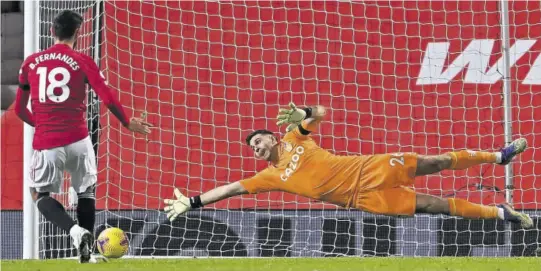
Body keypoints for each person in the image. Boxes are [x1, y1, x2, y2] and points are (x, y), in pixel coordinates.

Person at [163, 102, 532, 229]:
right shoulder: (267, 177)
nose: (256, 148)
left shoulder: (294, 137)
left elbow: (321, 112)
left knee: (433, 163)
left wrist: (303, 113)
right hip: (363, 200)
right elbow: (229, 190)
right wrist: (192, 202)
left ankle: (498, 156)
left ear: (273, 137)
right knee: (433, 205)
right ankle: (502, 213)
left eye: (258, 141)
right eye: (252, 148)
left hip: (368, 169)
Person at [14, 10, 152, 263]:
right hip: (79, 139)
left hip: (47, 142)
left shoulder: (30, 63)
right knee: (86, 193)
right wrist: (127, 122)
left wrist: (42, 123)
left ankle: (75, 233)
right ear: (79, 32)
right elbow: (107, 97)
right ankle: (87, 255)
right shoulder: (82, 60)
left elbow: (19, 109)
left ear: (52, 31)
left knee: (39, 195)